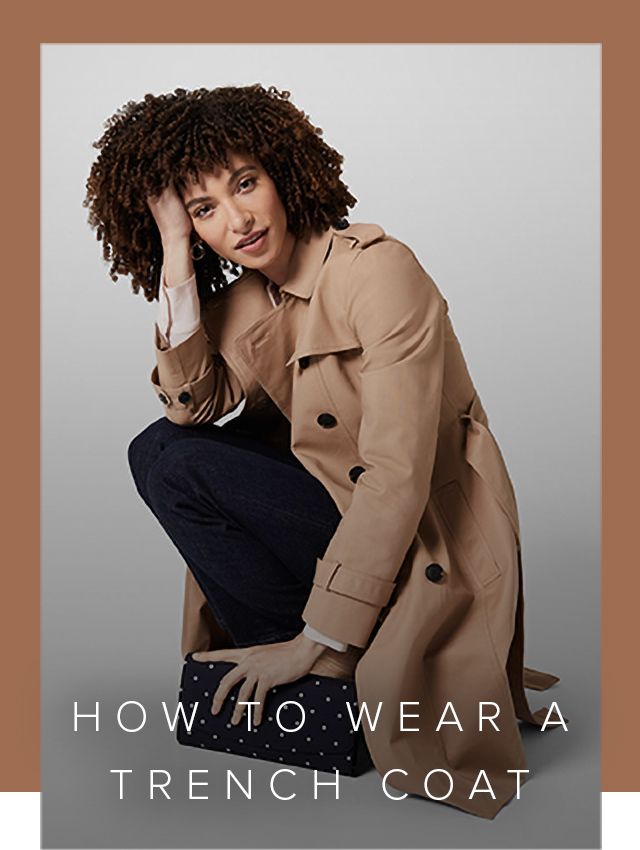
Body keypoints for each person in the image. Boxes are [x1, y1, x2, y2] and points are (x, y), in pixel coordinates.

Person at [85, 84, 559, 818]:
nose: (236, 220)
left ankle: (322, 658)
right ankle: (308, 675)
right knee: (158, 450)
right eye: (204, 209)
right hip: (341, 517)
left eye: (245, 184)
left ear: (284, 172)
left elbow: (399, 473)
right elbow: (191, 404)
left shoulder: (377, 271)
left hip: (419, 536)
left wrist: (320, 635)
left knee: (179, 463)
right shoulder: (251, 294)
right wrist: (175, 251)